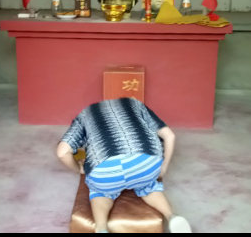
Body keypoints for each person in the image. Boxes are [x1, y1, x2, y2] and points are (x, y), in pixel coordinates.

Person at [56, 97, 192, 233]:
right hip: (146, 163)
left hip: (105, 171)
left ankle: (101, 227)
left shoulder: (85, 114)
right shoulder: (134, 102)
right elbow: (169, 135)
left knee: (100, 192)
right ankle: (172, 217)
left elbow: (62, 152)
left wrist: (80, 169)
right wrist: (164, 167)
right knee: (148, 186)